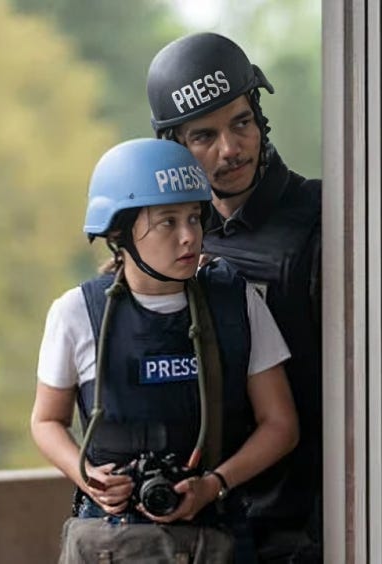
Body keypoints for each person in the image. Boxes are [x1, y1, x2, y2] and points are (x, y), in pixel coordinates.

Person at [30, 138, 299, 563]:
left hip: (215, 534)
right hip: (110, 539)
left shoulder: (238, 303)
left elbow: (280, 424)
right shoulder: (76, 313)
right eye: (167, 222)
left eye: (194, 217)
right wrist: (85, 475)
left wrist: (214, 484)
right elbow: (46, 420)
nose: (189, 236)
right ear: (120, 234)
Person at [146, 32, 323, 562]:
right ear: (175, 145)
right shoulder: (173, 244)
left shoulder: (325, 218)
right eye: (204, 136)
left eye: (241, 123)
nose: (230, 149)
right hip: (209, 525)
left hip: (311, 522)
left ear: (260, 119)